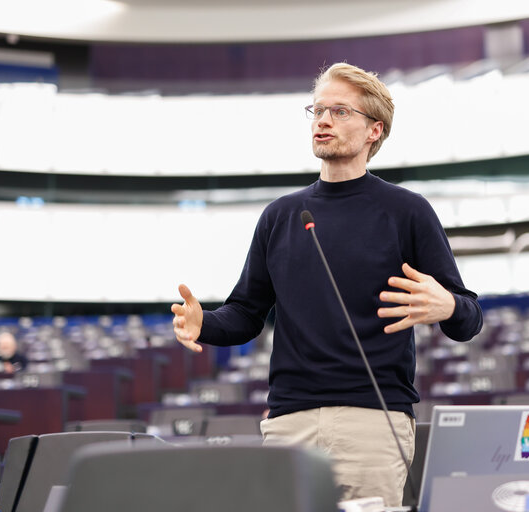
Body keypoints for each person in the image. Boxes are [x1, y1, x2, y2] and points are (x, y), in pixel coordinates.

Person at [171, 62, 482, 507]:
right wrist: (203, 323)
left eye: (339, 111)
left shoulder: (406, 212)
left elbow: (468, 319)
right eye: (316, 110)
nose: (322, 121)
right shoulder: (280, 216)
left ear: (374, 130)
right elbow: (244, 314)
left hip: (374, 423)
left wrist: (448, 305)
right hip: (288, 422)